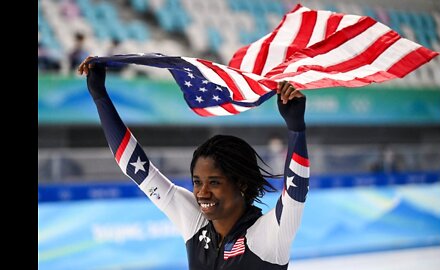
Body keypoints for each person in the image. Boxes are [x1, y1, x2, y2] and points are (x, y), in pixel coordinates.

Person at [78, 55, 309, 270]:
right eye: (197, 182)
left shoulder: (266, 237)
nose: (202, 193)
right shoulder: (196, 223)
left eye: (214, 182)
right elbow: (138, 169)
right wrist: (99, 96)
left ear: (242, 184)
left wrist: (296, 129)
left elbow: (294, 196)